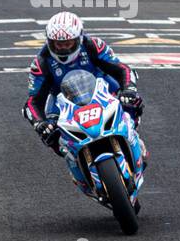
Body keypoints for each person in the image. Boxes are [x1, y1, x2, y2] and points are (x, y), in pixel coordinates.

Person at [23, 11, 144, 150]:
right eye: (58, 44)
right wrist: (39, 123)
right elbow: (32, 102)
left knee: (131, 100)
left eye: (67, 43)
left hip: (100, 87)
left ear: (78, 39)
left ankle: (133, 135)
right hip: (62, 99)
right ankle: (73, 158)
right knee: (49, 133)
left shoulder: (93, 45)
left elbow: (122, 69)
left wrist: (129, 89)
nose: (62, 48)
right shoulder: (41, 62)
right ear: (49, 42)